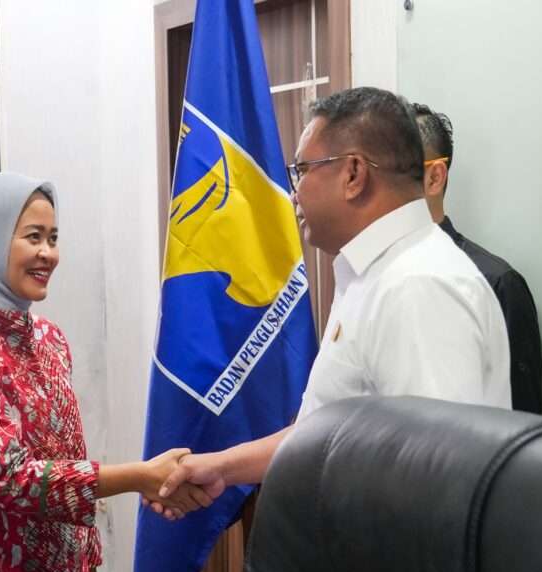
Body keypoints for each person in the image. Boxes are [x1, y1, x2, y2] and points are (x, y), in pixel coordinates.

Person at [151, 87, 512, 510]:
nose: (294, 194)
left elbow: (435, 474)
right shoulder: (375, 273)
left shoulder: (416, 285)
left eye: (302, 171)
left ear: (354, 174)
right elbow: (323, 431)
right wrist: (221, 468)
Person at [0, 173, 205, 572]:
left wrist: (89, 557)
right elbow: (9, 477)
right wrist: (140, 477)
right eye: (33, 237)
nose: (47, 253)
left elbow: (67, 457)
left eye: (53, 238)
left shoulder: (49, 339)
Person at [414, 102, 542, 414]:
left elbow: (522, 423)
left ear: (434, 177)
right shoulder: (368, 277)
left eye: (393, 171)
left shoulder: (495, 284)